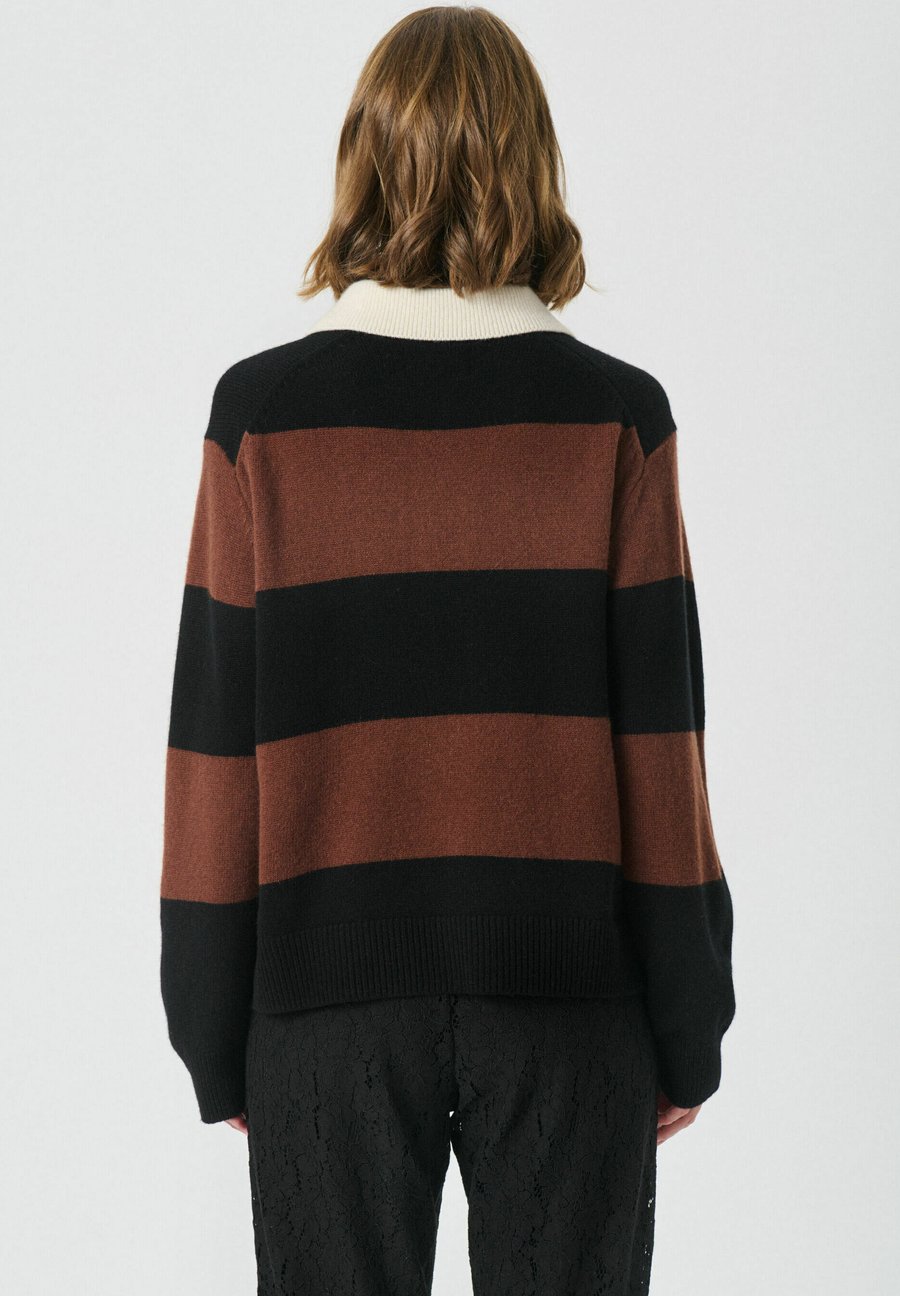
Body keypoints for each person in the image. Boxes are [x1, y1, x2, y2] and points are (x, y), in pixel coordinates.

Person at [159, 7, 735, 1293]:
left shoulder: (263, 418)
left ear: (363, 162)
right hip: (571, 1006)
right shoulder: (614, 419)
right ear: (534, 165)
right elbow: (662, 750)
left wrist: (210, 1018)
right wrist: (687, 1017)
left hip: (326, 1014)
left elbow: (214, 752)